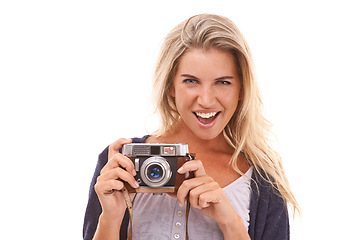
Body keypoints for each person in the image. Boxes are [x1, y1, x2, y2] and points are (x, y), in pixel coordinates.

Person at [83, 14, 300, 240]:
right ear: (170, 85)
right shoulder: (120, 163)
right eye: (191, 81)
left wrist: (230, 222)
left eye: (223, 82)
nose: (206, 100)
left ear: (242, 90)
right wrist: (111, 217)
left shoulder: (262, 179)